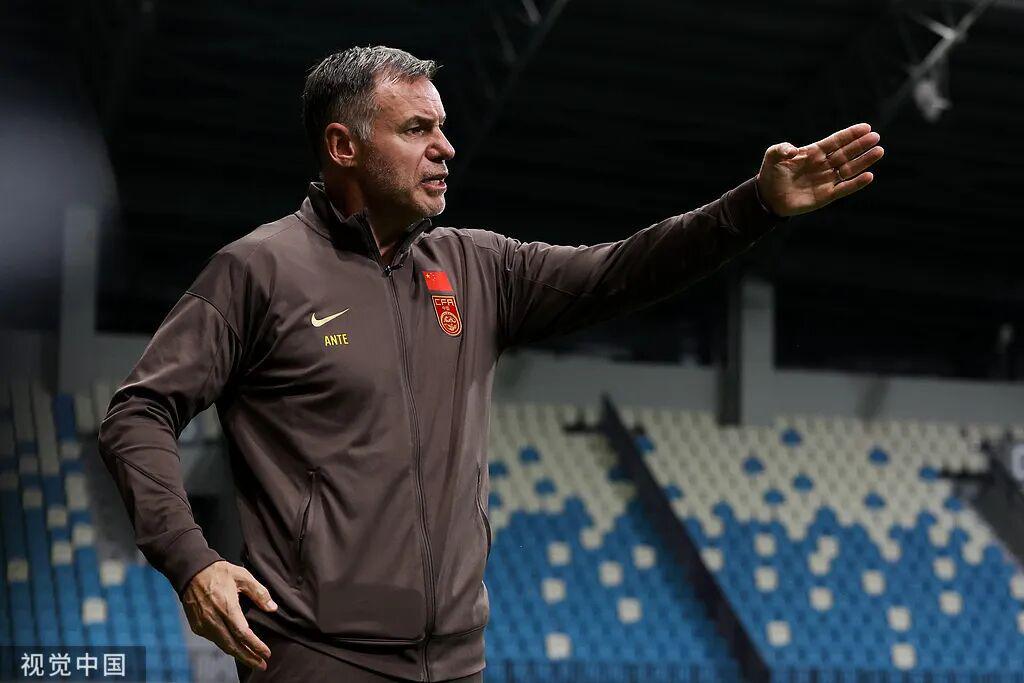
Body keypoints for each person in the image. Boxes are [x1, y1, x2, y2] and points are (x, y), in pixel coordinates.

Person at [97, 45, 884, 682]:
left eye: (442, 127)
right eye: (416, 129)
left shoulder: (478, 267)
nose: (445, 147)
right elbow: (139, 411)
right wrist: (192, 562)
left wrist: (754, 206)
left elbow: (623, 269)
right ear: (343, 146)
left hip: (456, 659)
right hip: (315, 657)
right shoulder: (258, 271)